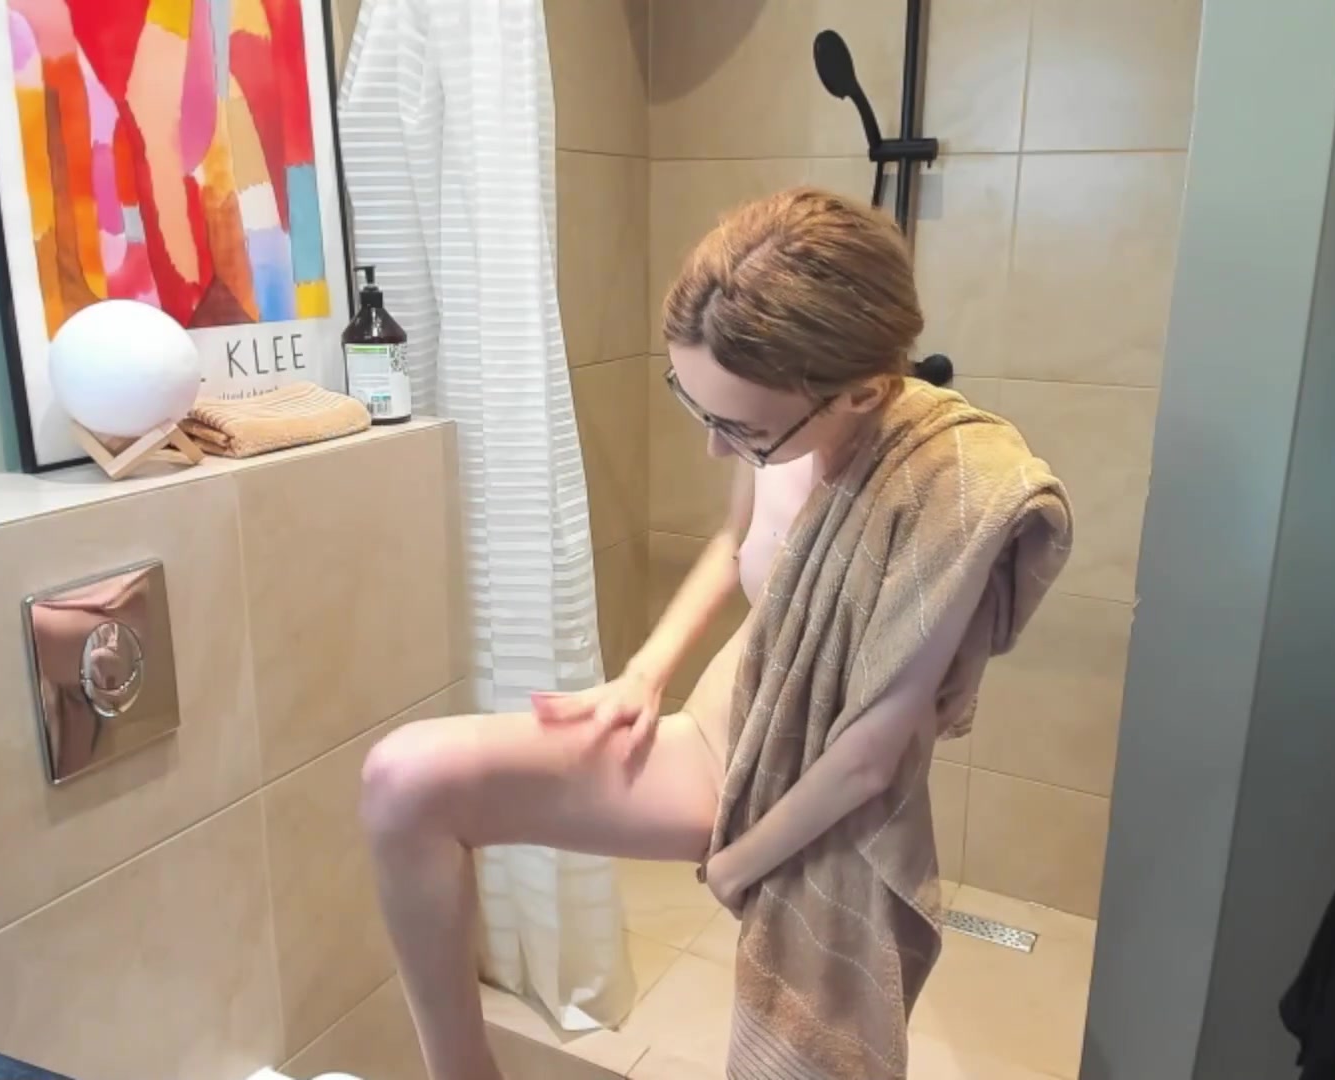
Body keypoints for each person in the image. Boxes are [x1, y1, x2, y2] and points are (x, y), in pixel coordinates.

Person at [360, 187, 1066, 1080]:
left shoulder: (941, 493)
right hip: (714, 740)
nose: (717, 449)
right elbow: (734, 543)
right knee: (404, 781)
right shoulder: (779, 418)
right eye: (700, 412)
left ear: (861, 392)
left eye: (741, 429)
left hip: (805, 787)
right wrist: (644, 675)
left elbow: (871, 757)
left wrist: (739, 865)